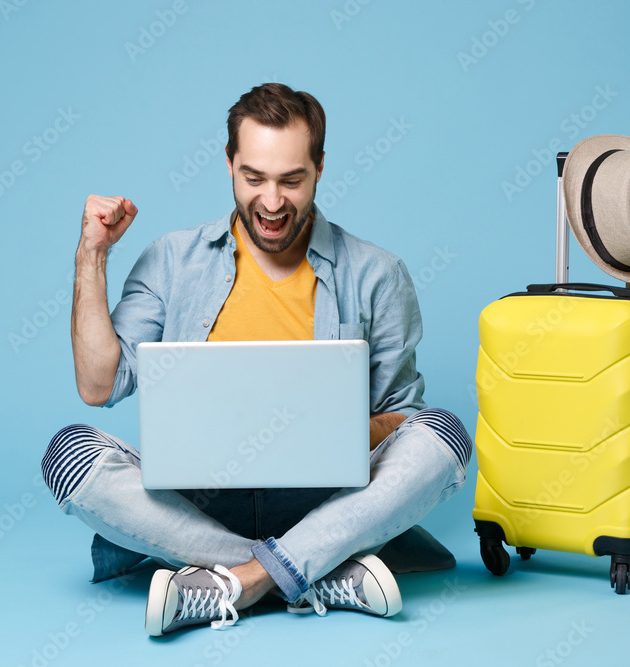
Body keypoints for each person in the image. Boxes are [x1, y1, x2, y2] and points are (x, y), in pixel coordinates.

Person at [42, 83, 472, 637]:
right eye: (255, 178)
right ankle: (311, 571)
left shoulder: (377, 274)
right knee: (70, 455)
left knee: (446, 436)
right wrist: (92, 254)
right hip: (195, 505)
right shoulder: (171, 261)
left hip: (326, 502)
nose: (271, 202)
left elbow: (403, 422)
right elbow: (98, 385)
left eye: (292, 180)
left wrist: (322, 431)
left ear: (319, 167)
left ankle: (231, 582)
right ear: (228, 164)